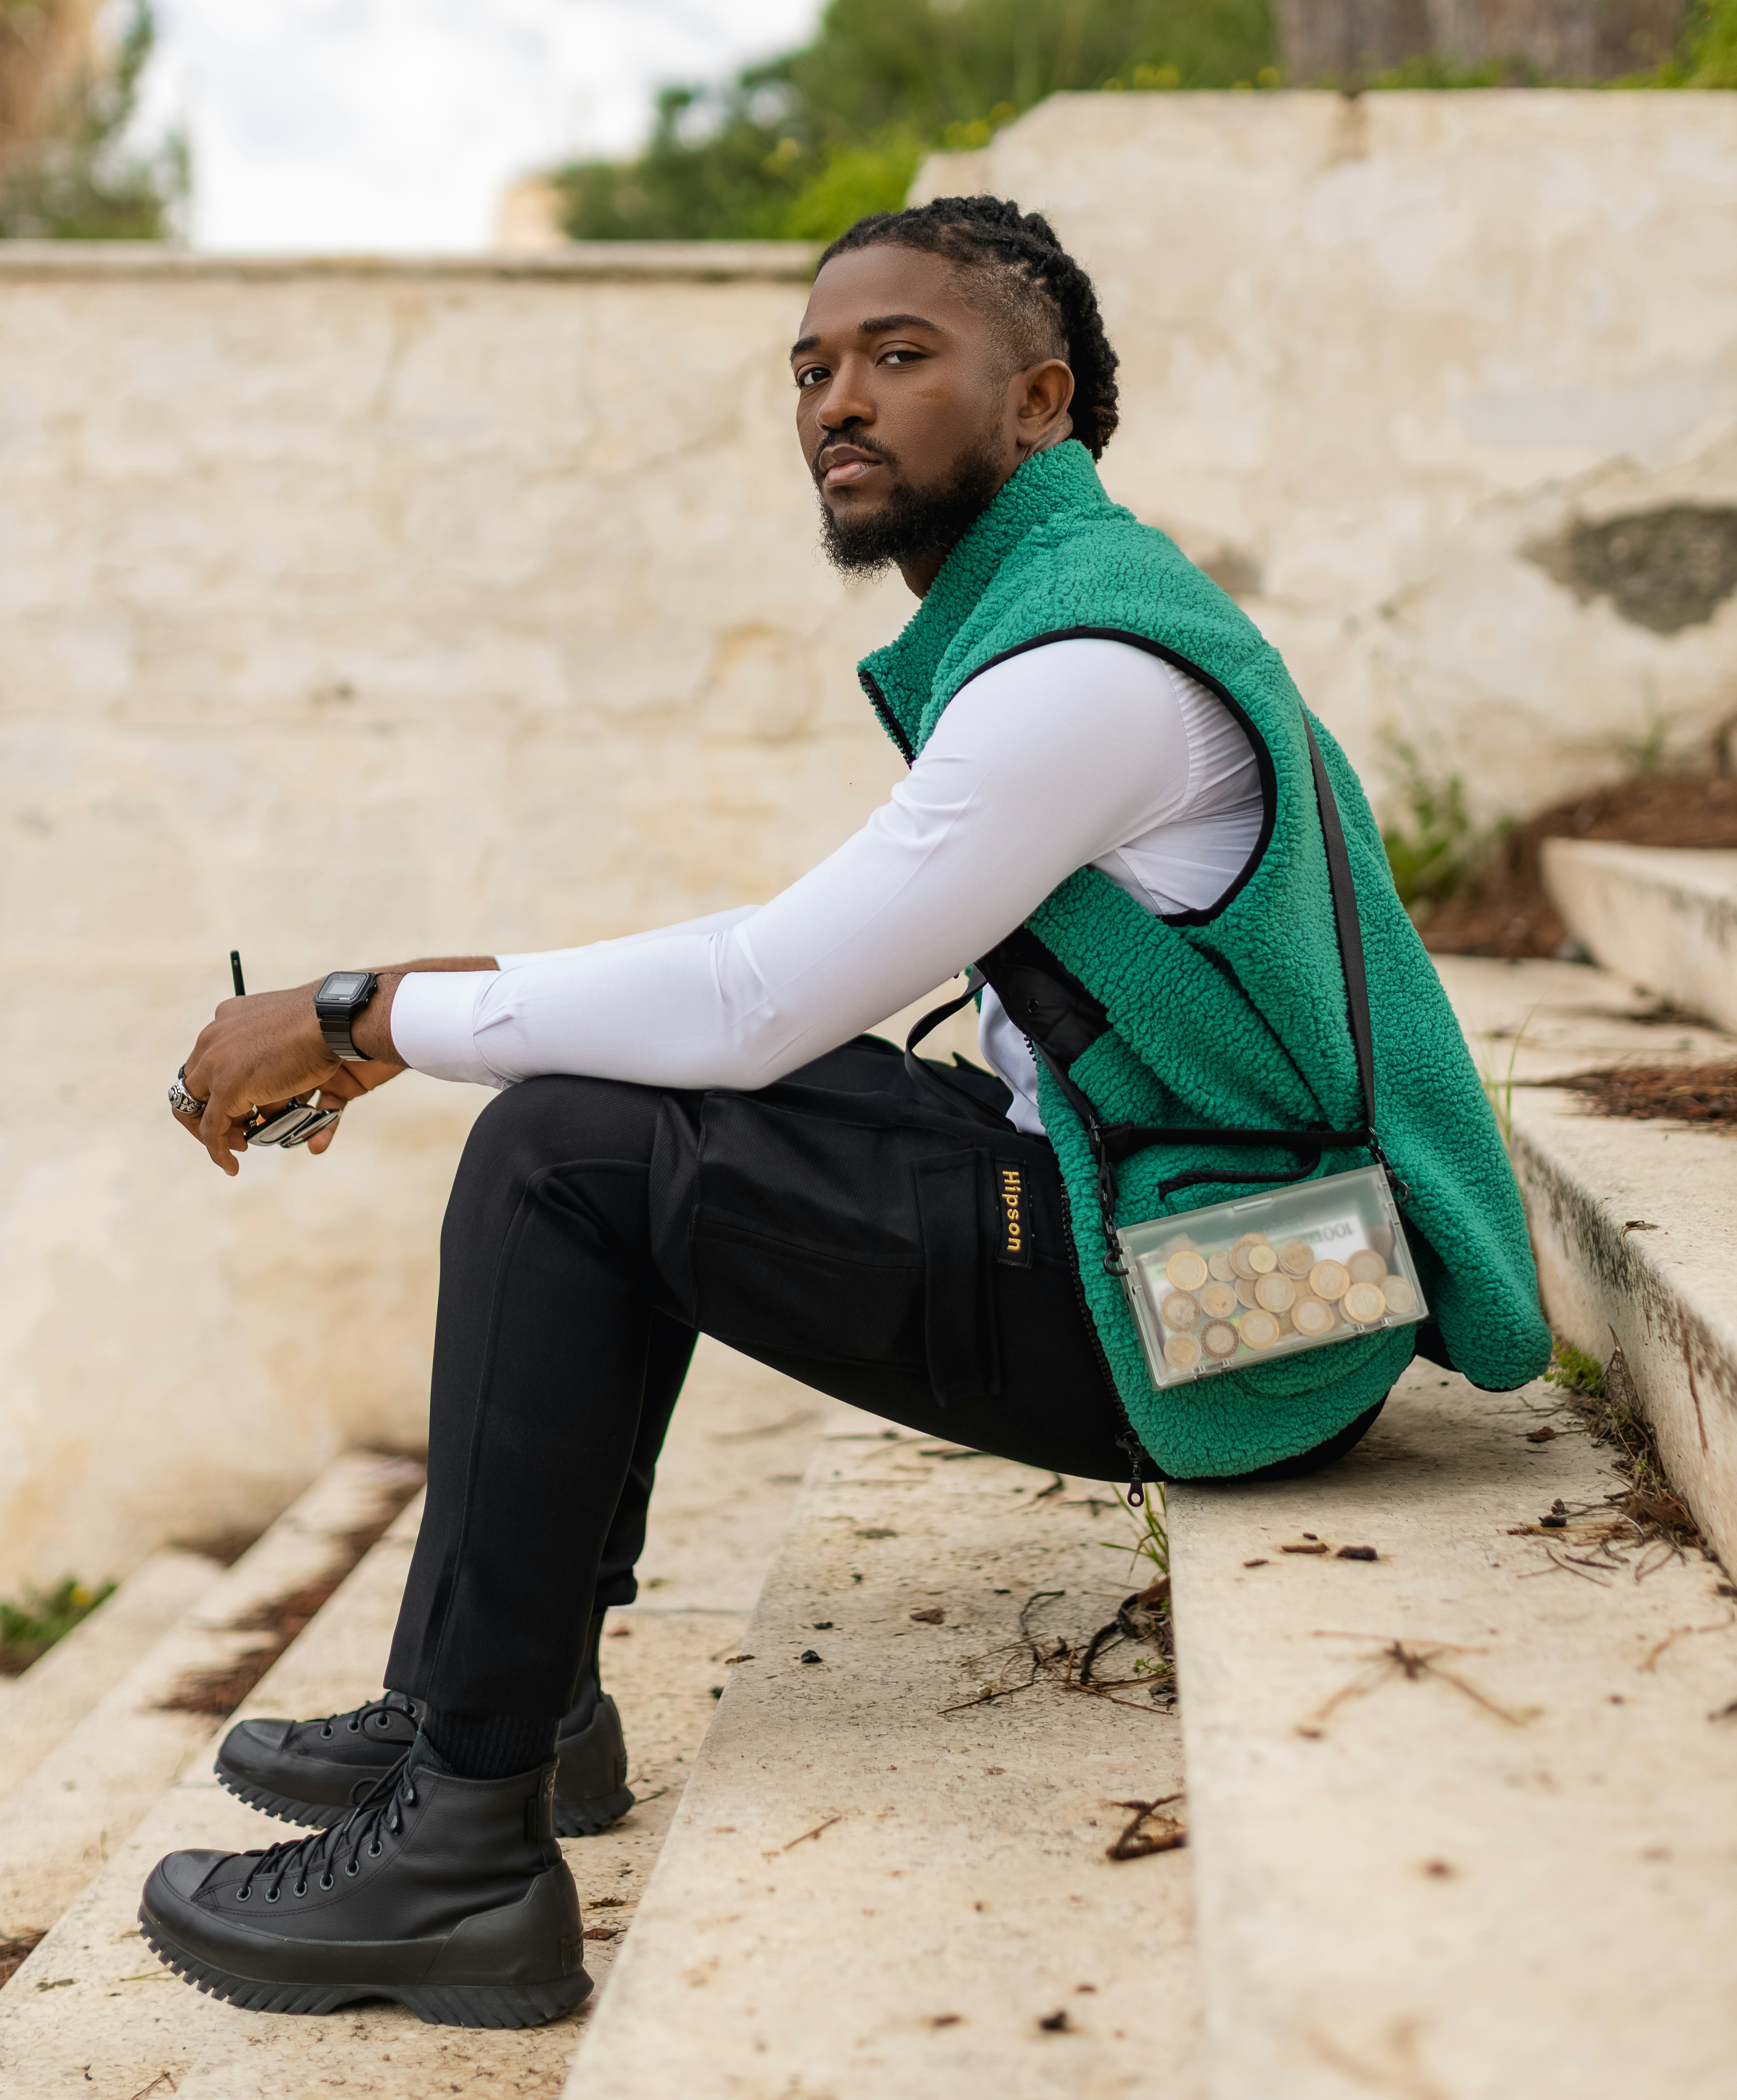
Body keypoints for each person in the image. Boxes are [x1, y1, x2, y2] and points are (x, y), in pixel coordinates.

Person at [141, 197, 1550, 2029]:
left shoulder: (1085, 677)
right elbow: (761, 984)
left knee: (568, 1148)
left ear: (1040, 401)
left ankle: (463, 1852)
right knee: (603, 1095)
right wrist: (426, 994)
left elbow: (760, 1000)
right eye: (813, 368)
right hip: (1201, 1234)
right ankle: (511, 1704)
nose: (838, 400)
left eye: (900, 355)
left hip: (1240, 1317)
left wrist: (363, 1012)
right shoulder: (1058, 619)